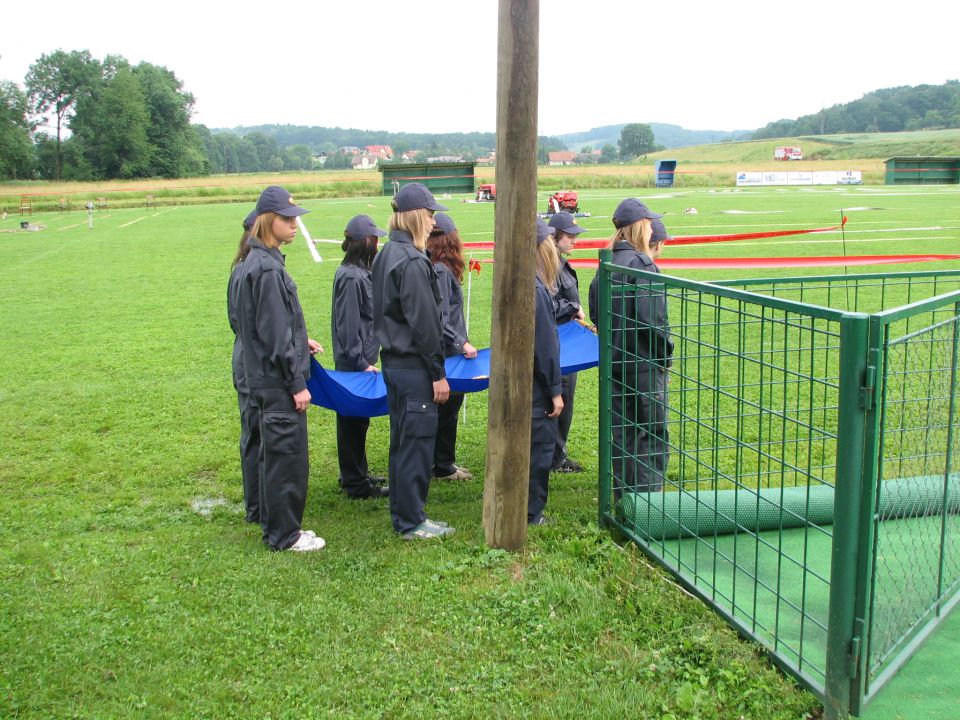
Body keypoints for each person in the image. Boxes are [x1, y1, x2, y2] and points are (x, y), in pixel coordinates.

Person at [235, 186, 325, 552]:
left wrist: (297, 342)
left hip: (261, 377)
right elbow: (273, 334)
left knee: (271, 456)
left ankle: (276, 526)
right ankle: (285, 535)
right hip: (276, 382)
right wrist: (296, 382)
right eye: (287, 220)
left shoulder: (253, 264)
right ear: (267, 221)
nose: (294, 225)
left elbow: (260, 326)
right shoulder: (266, 269)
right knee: (286, 457)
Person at [372, 183, 455, 540]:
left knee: (403, 442)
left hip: (393, 364)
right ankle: (411, 521)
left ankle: (404, 513)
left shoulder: (386, 253)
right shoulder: (411, 261)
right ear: (417, 217)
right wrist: (437, 373)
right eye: (431, 213)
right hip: (413, 368)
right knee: (416, 444)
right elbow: (425, 324)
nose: (434, 221)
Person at [588, 200, 673, 498]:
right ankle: (647, 505)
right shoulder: (642, 264)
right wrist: (665, 357)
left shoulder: (606, 264)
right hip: (644, 365)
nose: (652, 226)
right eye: (649, 222)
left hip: (615, 364)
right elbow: (654, 320)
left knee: (623, 435)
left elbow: (596, 313)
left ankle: (624, 501)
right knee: (651, 434)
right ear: (640, 226)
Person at [332, 215, 390, 500]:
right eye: (374, 239)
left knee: (357, 421)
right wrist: (360, 362)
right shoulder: (353, 277)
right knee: (352, 422)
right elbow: (349, 323)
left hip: (358, 361)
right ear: (365, 243)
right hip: (354, 364)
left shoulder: (357, 272)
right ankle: (355, 482)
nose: (378, 244)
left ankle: (356, 472)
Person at [426, 212, 477, 482]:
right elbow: (440, 318)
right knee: (447, 410)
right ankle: (442, 465)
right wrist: (461, 342)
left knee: (446, 410)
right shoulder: (441, 271)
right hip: (448, 354)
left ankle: (443, 462)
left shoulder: (437, 268)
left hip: (448, 353)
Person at [529, 218, 565, 525]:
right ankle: (532, 512)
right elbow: (545, 347)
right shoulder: (537, 289)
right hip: (536, 388)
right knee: (539, 450)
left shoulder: (523, 281)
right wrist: (555, 390)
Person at [228, 209, 261, 524]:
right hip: (251, 363)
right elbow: (244, 323)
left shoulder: (240, 267)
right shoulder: (248, 270)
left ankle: (258, 503)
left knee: (255, 435)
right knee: (254, 436)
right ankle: (256, 507)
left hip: (247, 358)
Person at [547, 211, 587, 474]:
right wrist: (573, 307)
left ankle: (558, 455)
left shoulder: (560, 263)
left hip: (567, 343)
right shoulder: (550, 266)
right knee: (559, 400)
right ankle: (555, 459)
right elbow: (547, 303)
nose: (574, 241)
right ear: (556, 237)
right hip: (558, 344)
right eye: (570, 236)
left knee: (566, 400)